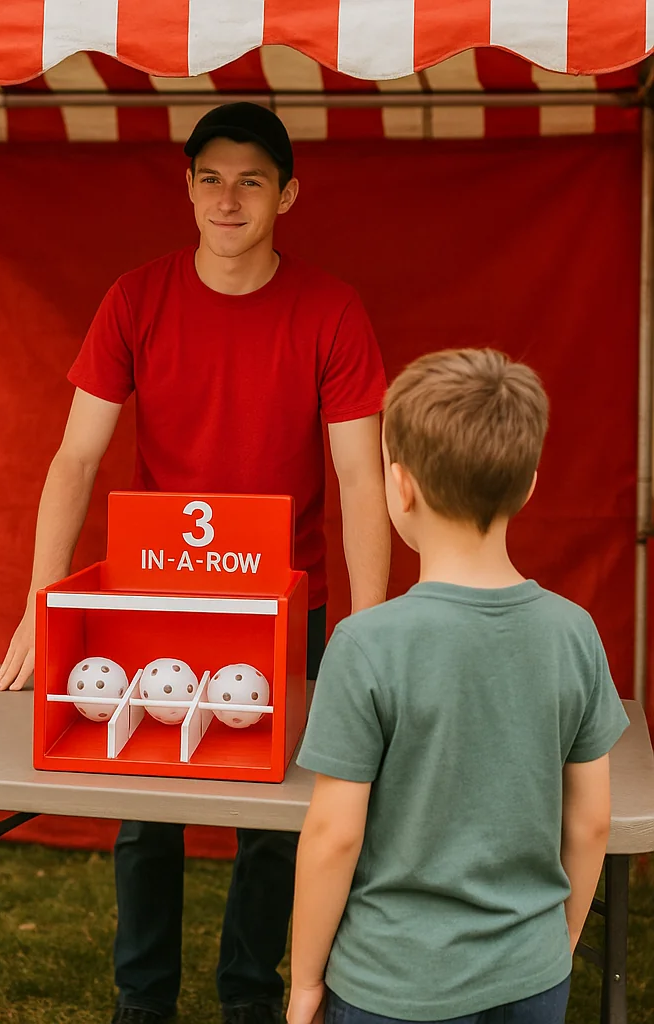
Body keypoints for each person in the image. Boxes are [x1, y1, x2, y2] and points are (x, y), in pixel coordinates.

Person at [0, 102, 392, 1024]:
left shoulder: (331, 308)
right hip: (156, 600)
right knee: (147, 813)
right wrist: (39, 603)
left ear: (287, 194)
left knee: (277, 823)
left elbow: (360, 477)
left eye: (252, 179)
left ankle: (251, 998)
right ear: (186, 187)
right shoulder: (136, 296)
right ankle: (144, 1003)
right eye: (210, 177)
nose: (229, 197)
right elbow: (75, 459)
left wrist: (367, 632)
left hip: (292, 609)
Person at [288, 349, 629, 1024]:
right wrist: (553, 946)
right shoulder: (575, 633)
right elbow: (591, 822)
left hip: (390, 983)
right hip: (530, 976)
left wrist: (304, 983)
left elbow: (333, 835)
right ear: (529, 484)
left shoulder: (364, 645)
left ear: (400, 485)